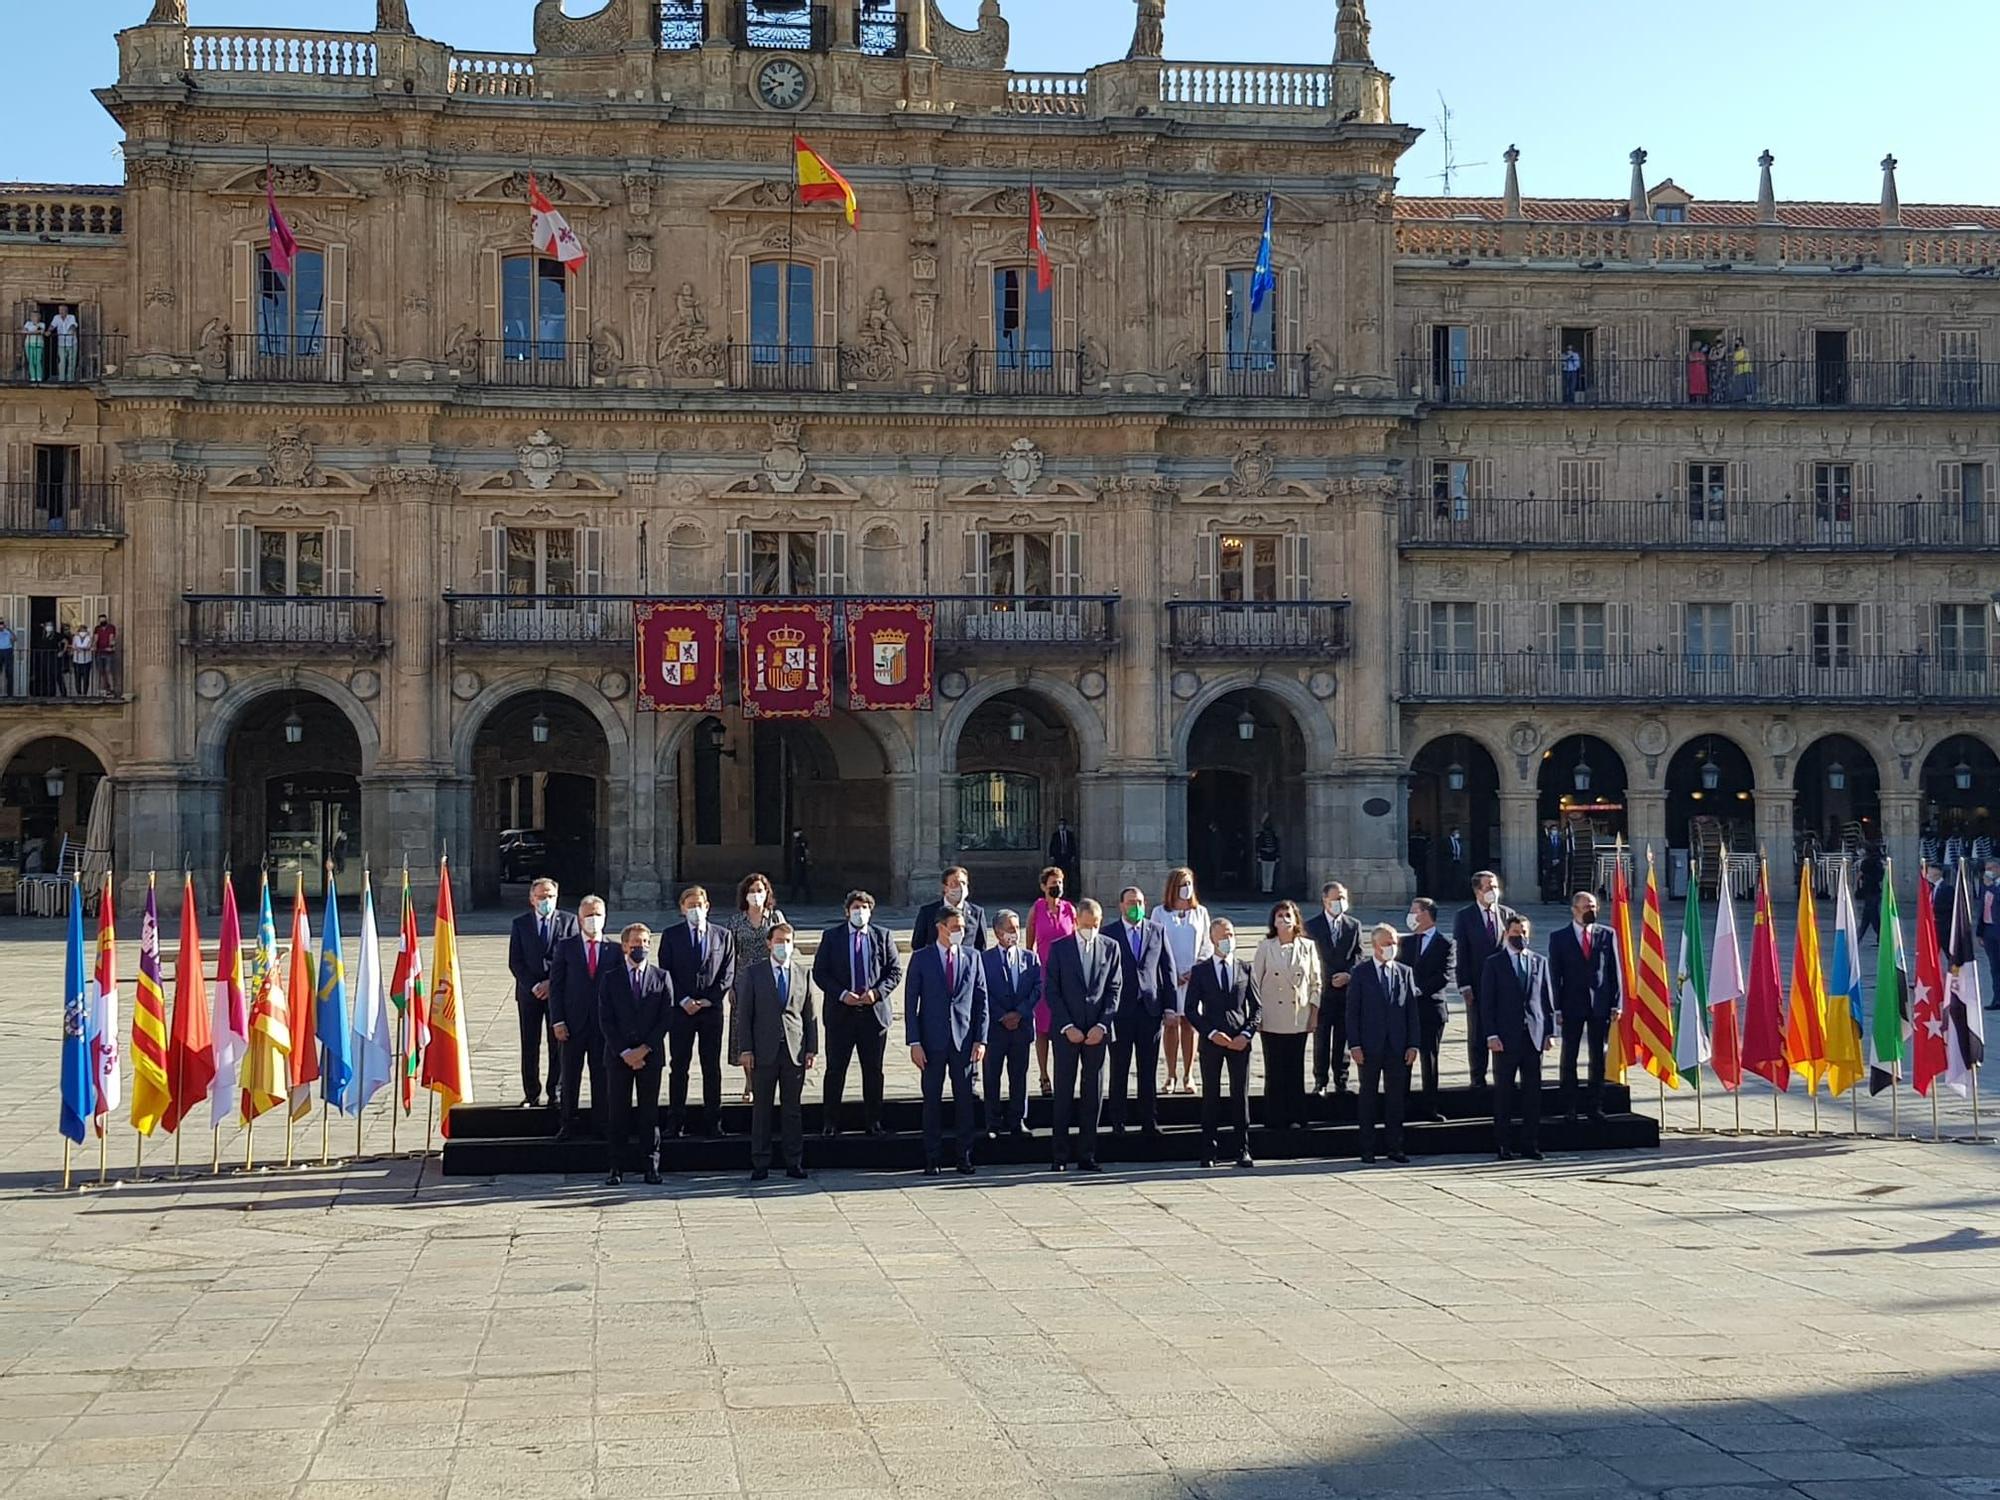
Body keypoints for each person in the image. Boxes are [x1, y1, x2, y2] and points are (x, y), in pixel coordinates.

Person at [905, 907, 989, 1176]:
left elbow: (981, 1000)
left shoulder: (973, 957)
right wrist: (914, 1042)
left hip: (964, 1041)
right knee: (932, 1100)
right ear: (941, 927)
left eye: (962, 927)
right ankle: (932, 1156)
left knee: (964, 1100)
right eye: (955, 927)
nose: (960, 932)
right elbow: (910, 1004)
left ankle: (964, 1156)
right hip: (932, 1041)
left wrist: (981, 1038)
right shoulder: (921, 959)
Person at [812, 889, 902, 1136]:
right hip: (841, 1014)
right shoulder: (832, 937)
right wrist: (842, 994)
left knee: (873, 1070)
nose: (859, 912)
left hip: (873, 1014)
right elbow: (820, 972)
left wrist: (876, 993)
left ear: (871, 912)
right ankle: (830, 1121)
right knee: (835, 1070)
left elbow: (894, 971)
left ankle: (873, 1121)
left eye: (864, 908)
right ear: (847, 911)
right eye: (855, 908)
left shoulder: (882, 936)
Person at [732, 919, 816, 1181]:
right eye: (779, 941)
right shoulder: (754, 974)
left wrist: (811, 1049)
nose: (783, 946)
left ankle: (794, 1161)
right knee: (762, 1110)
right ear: (769, 944)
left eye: (788, 942)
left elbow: (809, 1014)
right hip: (763, 1050)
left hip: (793, 1050)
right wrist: (745, 1049)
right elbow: (744, 1015)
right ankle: (761, 1162)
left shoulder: (802, 974)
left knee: (792, 1110)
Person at [1046, 897, 1119, 1172]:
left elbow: (1114, 989)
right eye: (1087, 925)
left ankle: (1087, 1153)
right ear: (1077, 922)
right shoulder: (1060, 949)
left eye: (1096, 925)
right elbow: (1052, 991)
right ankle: (1060, 1154)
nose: (1092, 929)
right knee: (1063, 1092)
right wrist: (1068, 1026)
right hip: (1068, 1033)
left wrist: (1102, 1026)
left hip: (1097, 1033)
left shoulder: (1110, 948)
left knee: (1093, 1094)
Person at [600, 922, 673, 1186]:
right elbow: (606, 1019)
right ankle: (616, 1167)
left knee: (649, 1113)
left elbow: (665, 1017)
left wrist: (644, 1049)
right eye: (635, 943)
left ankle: (651, 1166)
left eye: (644, 943)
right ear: (624, 946)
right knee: (618, 1113)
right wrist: (624, 1051)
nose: (640, 947)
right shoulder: (611, 978)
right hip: (619, 1057)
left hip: (650, 1056)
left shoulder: (661, 977)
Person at [661, 884, 736, 1139]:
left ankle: (713, 1120)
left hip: (710, 1010)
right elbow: (666, 972)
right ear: (682, 909)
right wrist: (682, 999)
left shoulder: (722, 936)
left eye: (699, 905)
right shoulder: (671, 936)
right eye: (690, 905)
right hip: (681, 1011)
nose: (695, 909)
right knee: (679, 1065)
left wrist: (710, 999)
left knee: (711, 1066)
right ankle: (675, 1120)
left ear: (707, 907)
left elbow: (727, 973)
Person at [1547, 890, 1623, 1123]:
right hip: (1571, 1005)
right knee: (1569, 1056)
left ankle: (1595, 1106)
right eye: (1585, 907)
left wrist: (1617, 1003)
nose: (1590, 910)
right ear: (1574, 910)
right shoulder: (1559, 937)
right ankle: (1569, 1106)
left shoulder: (1606, 934)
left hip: (1599, 1004)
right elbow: (1554, 975)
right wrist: (1556, 1008)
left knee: (1598, 1056)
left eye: (1593, 906)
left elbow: (1614, 971)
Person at [1483, 915, 1556, 1160]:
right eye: (1516, 932)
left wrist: (1549, 1032)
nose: (1520, 937)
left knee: (1532, 1093)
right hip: (1505, 1037)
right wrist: (1491, 1034)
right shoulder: (1494, 963)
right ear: (1506, 934)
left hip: (1532, 1036)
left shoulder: (1539, 961)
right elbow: (1488, 1003)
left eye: (1524, 932)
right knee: (1504, 1093)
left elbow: (1546, 999)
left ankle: (1530, 1143)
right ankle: (1503, 1144)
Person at [1189, 915, 1259, 1168]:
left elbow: (1256, 1008)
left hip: (1239, 1040)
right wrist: (1210, 1033)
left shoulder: (1244, 968)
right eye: (1223, 935)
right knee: (1211, 1095)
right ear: (1212, 939)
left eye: (1231, 935)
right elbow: (1191, 1010)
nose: (1228, 939)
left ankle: (1243, 1148)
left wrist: (1247, 1034)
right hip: (1213, 1041)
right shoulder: (1201, 971)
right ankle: (1209, 1149)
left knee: (1240, 1094)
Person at [1104, 885, 1175, 1137]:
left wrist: (1170, 1007)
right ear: (1121, 905)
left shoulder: (1156, 930)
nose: (1137, 907)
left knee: (1148, 1068)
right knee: (1119, 1068)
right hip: (1121, 1011)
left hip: (1149, 1009)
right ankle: (1117, 1122)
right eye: (1132, 902)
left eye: (1141, 902)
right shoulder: (1109, 934)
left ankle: (1149, 1120)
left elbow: (1167, 970)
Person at [1347, 922, 1418, 1165]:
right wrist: (1354, 1044)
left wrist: (1413, 1044)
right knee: (1368, 1097)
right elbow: (1352, 1012)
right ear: (1375, 946)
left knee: (1396, 1098)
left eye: (1395, 943)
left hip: (1397, 1045)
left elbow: (1411, 1011)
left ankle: (1395, 1146)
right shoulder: (1361, 973)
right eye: (1387, 943)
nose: (1392, 947)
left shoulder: (1404, 972)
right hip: (1369, 1045)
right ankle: (1367, 1148)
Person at [548, 894, 616, 1142]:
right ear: (579, 918)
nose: (593, 920)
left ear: (605, 917)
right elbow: (556, 987)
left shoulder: (614, 950)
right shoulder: (566, 947)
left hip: (602, 1027)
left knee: (602, 1076)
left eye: (597, 915)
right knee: (570, 1075)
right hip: (572, 1024)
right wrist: (558, 1021)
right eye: (588, 915)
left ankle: (602, 1123)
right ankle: (567, 1122)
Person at [1252, 900, 1320, 1135]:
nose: (1284, 919)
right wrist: (1256, 1016)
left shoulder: (1308, 947)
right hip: (1272, 1015)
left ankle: (1296, 1114)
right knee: (1274, 1067)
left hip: (1297, 1016)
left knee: (1295, 1067)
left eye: (1288, 915)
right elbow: (1255, 983)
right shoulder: (1265, 947)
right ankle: (1274, 1115)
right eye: (1279, 915)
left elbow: (1315, 982)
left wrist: (1313, 1013)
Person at [506, 878, 574, 1109]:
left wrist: (550, 983)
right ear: (532, 899)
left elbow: (571, 959)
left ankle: (554, 1091)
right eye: (541, 897)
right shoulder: (521, 924)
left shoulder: (569, 922)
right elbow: (515, 961)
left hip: (558, 993)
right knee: (530, 1043)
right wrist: (534, 985)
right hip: (529, 993)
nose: (546, 901)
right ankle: (531, 1092)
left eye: (550, 896)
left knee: (558, 1042)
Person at [1452, 871, 1517, 1091]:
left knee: (1504, 1029)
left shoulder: (1507, 914)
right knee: (1479, 1031)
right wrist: (1464, 985)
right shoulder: (1465, 916)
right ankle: (1478, 1078)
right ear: (1477, 890)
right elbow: (1462, 953)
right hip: (1478, 983)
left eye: (1495, 887)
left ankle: (1504, 1077)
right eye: (1489, 887)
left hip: (1504, 985)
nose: (1493, 891)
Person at [726, 872, 786, 1105]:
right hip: (743, 981)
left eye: (760, 891)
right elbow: (729, 955)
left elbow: (785, 945)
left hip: (769, 980)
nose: (756, 895)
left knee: (767, 1030)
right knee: (744, 1032)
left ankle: (767, 1080)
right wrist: (730, 985)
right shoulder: (735, 921)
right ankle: (749, 1081)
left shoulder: (775, 918)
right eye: (751, 891)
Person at [1151, 867, 1212, 1095]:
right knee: (1171, 1024)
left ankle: (1188, 1075)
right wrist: (1170, 974)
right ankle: (1170, 1075)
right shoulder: (1160, 913)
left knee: (1190, 1025)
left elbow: (1207, 944)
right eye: (1182, 884)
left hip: (1193, 977)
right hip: (1170, 978)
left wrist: (1195, 970)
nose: (1186, 888)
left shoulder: (1200, 913)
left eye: (1189, 883)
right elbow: (1155, 944)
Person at [980, 908, 1040, 1138]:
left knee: (1019, 1074)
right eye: (1010, 929)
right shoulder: (984, 959)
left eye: (1017, 928)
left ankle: (1018, 1119)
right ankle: (992, 1122)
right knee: (992, 1074)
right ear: (997, 932)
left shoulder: (1029, 957)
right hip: (996, 1028)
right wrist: (1001, 1015)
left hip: (1021, 1026)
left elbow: (1037, 988)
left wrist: (1020, 1013)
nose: (1015, 933)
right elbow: (982, 991)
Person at [1398, 897, 1457, 1123]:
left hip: (1431, 1008)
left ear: (1425, 914)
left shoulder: (1445, 944)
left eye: (1414, 911)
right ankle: (1402, 1104)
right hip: (1407, 1010)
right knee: (1404, 1057)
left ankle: (1430, 1106)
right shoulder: (1406, 942)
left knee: (1429, 1059)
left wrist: (1420, 989)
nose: (1411, 916)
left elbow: (1444, 975)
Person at [1305, 881, 1360, 1095]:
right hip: (1323, 991)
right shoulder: (1311, 926)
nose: (1341, 902)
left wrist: (1349, 974)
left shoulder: (1353, 925)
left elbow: (1358, 955)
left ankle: (1341, 1080)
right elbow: (1309, 958)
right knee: (1321, 1038)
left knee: (1342, 1039)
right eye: (1336, 898)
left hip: (1345, 992)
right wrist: (1325, 979)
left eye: (1343, 898)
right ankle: (1320, 1080)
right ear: (1325, 900)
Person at [1026, 866, 1076, 1096]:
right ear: (1044, 886)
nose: (1058, 887)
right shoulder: (1036, 909)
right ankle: (1044, 1075)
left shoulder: (1070, 910)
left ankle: (1063, 1075)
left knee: (1063, 1025)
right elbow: (1029, 946)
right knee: (1043, 1029)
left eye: (1061, 883)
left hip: (1066, 975)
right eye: (1054, 883)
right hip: (1044, 974)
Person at [913, 866, 990, 956]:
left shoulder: (977, 913)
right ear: (945, 887)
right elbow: (918, 944)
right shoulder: (928, 912)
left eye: (963, 883)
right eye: (954, 884)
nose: (960, 887)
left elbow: (981, 947)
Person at [1977, 862, 2000, 1010]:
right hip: (1988, 930)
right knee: (1994, 967)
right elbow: (1982, 908)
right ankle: (1997, 999)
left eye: (1991, 868)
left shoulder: (1994, 886)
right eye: (1987, 869)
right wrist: (1979, 933)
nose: (1988, 871)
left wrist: (1990, 886)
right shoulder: (1986, 886)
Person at [1855, 846, 1884, 943]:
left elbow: (1860, 875)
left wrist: (1854, 884)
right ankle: (1860, 937)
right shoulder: (1879, 863)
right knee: (1868, 915)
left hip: (1868, 891)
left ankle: (1879, 936)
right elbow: (1881, 876)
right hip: (1876, 890)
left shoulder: (1866, 862)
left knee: (1872, 916)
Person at [1047, 817, 1078, 891]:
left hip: (1067, 857)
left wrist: (1073, 856)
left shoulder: (1070, 835)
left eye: (1063, 824)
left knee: (1068, 874)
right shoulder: (1055, 835)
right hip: (1058, 857)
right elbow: (1052, 845)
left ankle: (1068, 890)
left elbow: (1073, 845)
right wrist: (1051, 855)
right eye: (1060, 824)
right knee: (1057, 874)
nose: (1062, 826)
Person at [50, 304, 79, 382]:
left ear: (67, 311)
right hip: (61, 343)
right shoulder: (56, 317)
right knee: (62, 362)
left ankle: (70, 379)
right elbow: (52, 326)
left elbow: (73, 325)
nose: (61, 311)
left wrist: (72, 330)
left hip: (72, 343)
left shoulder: (71, 317)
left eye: (63, 310)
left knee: (71, 362)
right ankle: (61, 379)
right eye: (60, 310)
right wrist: (48, 331)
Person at [91, 615, 117, 697]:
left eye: (103, 620)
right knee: (101, 671)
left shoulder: (111, 627)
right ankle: (103, 689)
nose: (102, 621)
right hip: (99, 652)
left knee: (108, 670)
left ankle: (112, 689)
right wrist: (94, 646)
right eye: (101, 620)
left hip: (108, 652)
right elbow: (96, 638)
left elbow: (111, 638)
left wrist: (111, 646)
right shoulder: (97, 628)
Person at [1254, 817, 1281, 895]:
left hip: (1272, 855)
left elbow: (1277, 845)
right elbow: (1258, 846)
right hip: (1264, 854)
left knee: (1270, 872)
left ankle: (1269, 888)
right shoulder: (1261, 835)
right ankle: (1265, 888)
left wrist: (1277, 855)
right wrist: (1258, 855)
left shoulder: (1273, 834)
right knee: (1265, 872)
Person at [787, 826, 812, 906]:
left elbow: (805, 852)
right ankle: (795, 898)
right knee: (800, 883)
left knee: (801, 883)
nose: (795, 834)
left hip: (801, 865)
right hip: (799, 864)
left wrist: (804, 860)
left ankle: (807, 899)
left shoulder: (801, 841)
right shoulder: (798, 840)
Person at [20, 310, 46, 383]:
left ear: (39, 317)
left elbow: (41, 331)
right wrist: (33, 332)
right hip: (28, 343)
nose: (34, 318)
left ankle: (39, 377)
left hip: (39, 344)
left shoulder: (42, 324)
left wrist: (29, 332)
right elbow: (23, 331)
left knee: (38, 360)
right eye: (33, 316)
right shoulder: (28, 323)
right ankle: (33, 377)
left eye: (36, 316)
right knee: (31, 361)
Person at [68, 622, 93, 697]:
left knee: (86, 677)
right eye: (81, 630)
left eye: (84, 630)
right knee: (77, 677)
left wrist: (85, 648)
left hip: (87, 660)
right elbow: (73, 646)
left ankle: (85, 693)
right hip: (77, 660)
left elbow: (89, 646)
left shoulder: (89, 637)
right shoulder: (75, 637)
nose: (82, 632)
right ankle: (78, 692)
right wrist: (76, 648)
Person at [1731, 337, 1754, 402]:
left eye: (1737, 342)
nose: (1736, 343)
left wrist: (1738, 362)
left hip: (1745, 368)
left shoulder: (1745, 350)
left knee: (1747, 383)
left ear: (1740, 343)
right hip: (1738, 370)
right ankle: (1741, 397)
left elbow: (1746, 358)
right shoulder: (1735, 351)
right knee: (1740, 384)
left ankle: (1749, 397)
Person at [0, 618, 12, 697]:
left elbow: (15, 639)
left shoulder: (7, 632)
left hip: (7, 651)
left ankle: (9, 693)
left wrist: (9, 630)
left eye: (2, 623)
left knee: (9, 673)